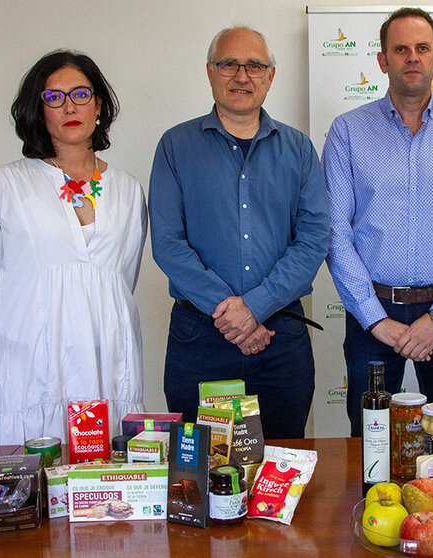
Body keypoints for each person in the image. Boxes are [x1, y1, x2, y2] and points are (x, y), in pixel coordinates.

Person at [323, 8, 433, 437]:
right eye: (400, 49)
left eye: (422, 48)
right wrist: (375, 319)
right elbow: (335, 233)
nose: (412, 57)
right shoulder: (347, 132)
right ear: (382, 60)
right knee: (371, 443)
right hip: (372, 314)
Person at [148, 26, 329, 439]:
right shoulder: (175, 146)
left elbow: (314, 239)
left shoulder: (299, 149)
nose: (242, 76)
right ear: (211, 72)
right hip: (200, 343)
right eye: (229, 64)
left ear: (271, 75)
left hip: (280, 340)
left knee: (283, 469)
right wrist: (233, 314)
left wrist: (256, 307)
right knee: (200, 477)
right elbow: (167, 243)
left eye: (254, 65)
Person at [0, 51, 148, 445]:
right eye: (54, 98)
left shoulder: (128, 190)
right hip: (33, 365)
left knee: (109, 488)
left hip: (108, 359)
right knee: (31, 488)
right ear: (38, 109)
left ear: (99, 104)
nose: (69, 106)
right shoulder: (4, 186)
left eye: (81, 94)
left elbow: (121, 279)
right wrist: (35, 324)